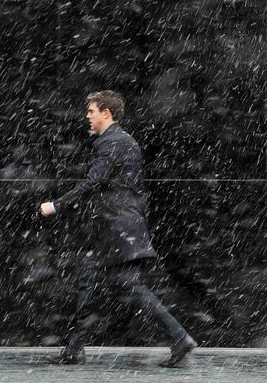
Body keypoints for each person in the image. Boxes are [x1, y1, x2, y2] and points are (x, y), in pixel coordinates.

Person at [39, 90, 197, 367]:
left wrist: (57, 204)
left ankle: (179, 336)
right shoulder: (125, 141)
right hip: (121, 225)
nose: (87, 117)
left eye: (91, 111)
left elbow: (94, 180)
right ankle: (74, 349)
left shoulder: (110, 143)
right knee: (90, 279)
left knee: (129, 285)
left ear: (106, 113)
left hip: (116, 227)